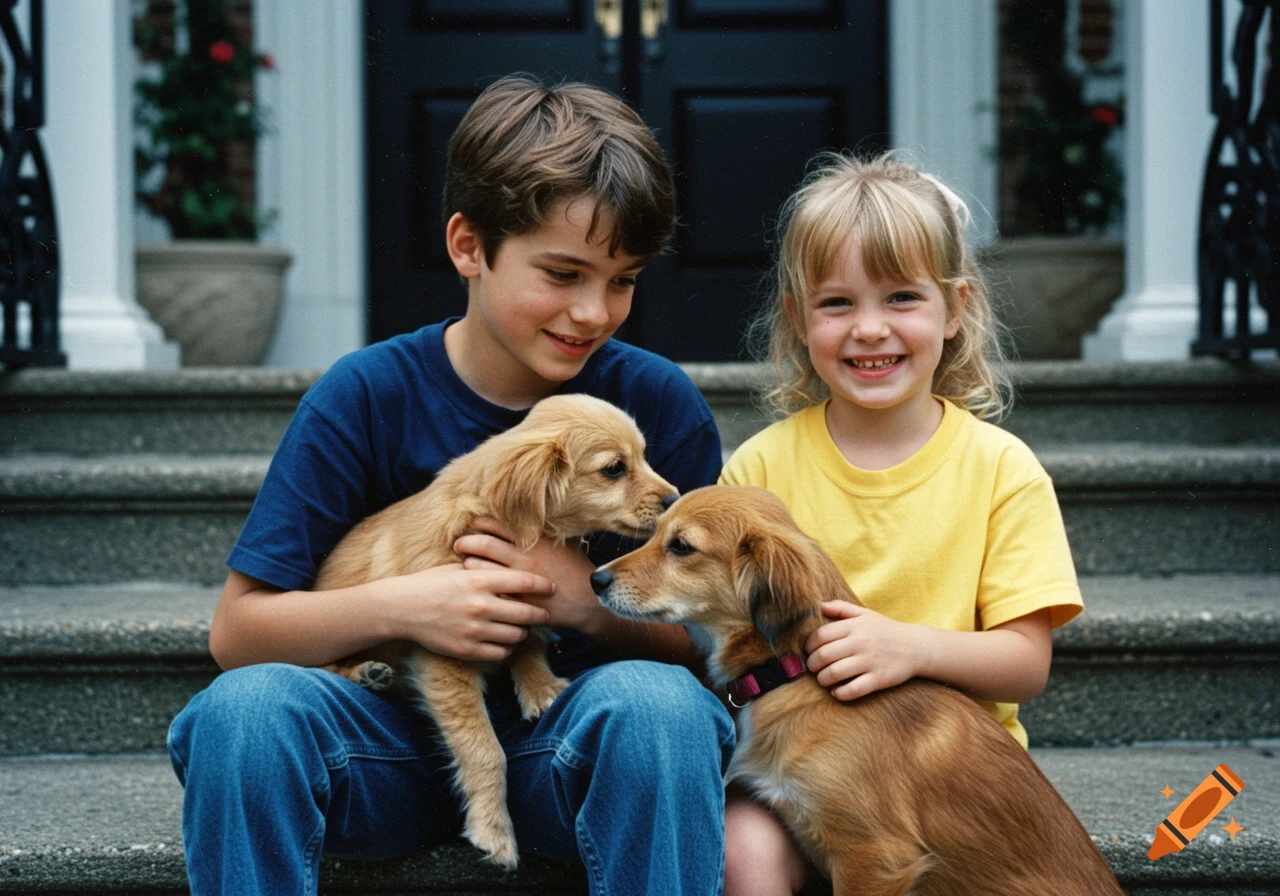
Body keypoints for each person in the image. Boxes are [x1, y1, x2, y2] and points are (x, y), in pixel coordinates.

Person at [167, 74, 735, 896]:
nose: (595, 311)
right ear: (469, 246)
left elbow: (711, 649)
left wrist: (580, 600)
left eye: (623, 279)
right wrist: (409, 606)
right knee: (244, 713)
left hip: (562, 750)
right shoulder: (364, 395)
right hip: (378, 748)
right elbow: (239, 634)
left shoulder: (652, 405)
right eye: (564, 273)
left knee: (662, 711)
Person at [718, 152, 1084, 895]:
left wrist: (907, 647)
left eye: (901, 298)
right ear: (797, 318)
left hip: (943, 791)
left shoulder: (1000, 470)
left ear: (956, 309)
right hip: (791, 770)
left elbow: (1025, 661)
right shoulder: (758, 470)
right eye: (837, 304)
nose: (870, 329)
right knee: (740, 853)